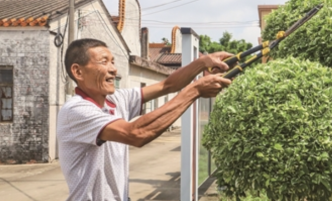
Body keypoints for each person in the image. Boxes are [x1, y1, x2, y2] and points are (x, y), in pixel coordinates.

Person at [57, 38, 232, 201]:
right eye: (104, 62)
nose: (113, 69)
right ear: (78, 71)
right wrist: (194, 91)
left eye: (113, 62)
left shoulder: (115, 99)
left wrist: (203, 62)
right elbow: (135, 133)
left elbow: (167, 85)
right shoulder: (76, 110)